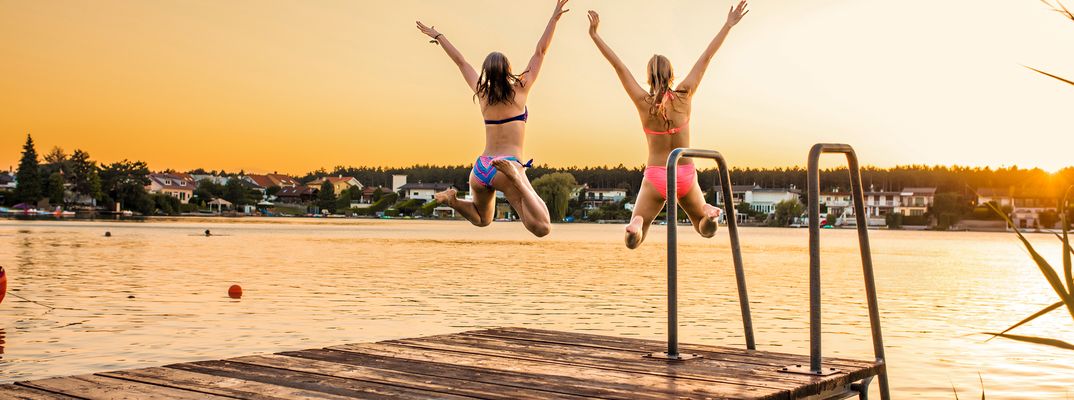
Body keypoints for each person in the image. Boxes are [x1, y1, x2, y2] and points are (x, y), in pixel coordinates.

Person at [587, 1, 749, 249]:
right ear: (672, 73)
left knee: (635, 239)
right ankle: (707, 214)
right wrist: (728, 25)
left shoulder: (644, 103)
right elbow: (706, 57)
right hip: (684, 174)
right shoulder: (685, 95)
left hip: (656, 176)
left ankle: (636, 224)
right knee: (705, 230)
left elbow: (619, 67)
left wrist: (595, 35)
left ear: (649, 77)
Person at [416, 1, 570, 237]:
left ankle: (453, 200)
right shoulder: (520, 90)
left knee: (482, 219)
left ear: (486, 73)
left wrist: (438, 35)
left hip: (481, 168)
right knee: (542, 227)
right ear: (508, 69)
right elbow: (540, 51)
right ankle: (517, 180)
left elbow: (461, 62)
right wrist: (554, 19)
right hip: (507, 167)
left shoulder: (482, 93)